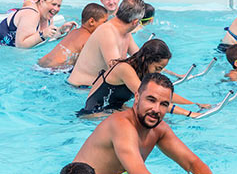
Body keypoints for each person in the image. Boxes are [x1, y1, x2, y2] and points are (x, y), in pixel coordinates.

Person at [72, 73, 234, 174]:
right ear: (137, 97)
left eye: (163, 104)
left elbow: (190, 162)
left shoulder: (158, 129)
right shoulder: (121, 125)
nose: (156, 109)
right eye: (151, 100)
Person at [77, 39, 208, 118]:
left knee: (161, 121)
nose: (160, 72)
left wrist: (194, 104)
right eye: (158, 68)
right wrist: (189, 114)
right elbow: (152, 98)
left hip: (114, 110)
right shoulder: (125, 69)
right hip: (94, 115)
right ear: (146, 59)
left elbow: (163, 95)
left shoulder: (142, 69)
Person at [68, 0, 142, 87]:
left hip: (93, 88)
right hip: (80, 88)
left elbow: (141, 59)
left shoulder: (126, 33)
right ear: (135, 22)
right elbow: (117, 70)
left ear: (118, 9)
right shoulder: (107, 32)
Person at [37, 3, 108, 70]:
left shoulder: (74, 31)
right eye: (104, 22)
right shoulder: (89, 39)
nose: (106, 25)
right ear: (91, 22)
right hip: (53, 69)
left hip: (40, 63)